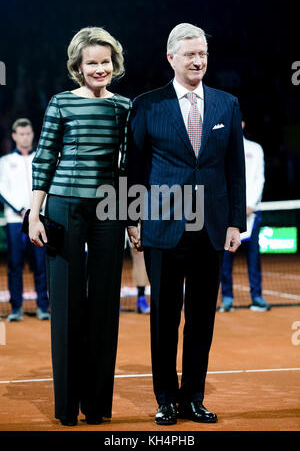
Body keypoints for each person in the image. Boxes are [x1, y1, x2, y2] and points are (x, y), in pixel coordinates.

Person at [127, 23, 246, 425]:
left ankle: (193, 396)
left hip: (211, 228)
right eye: (191, 54)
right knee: (164, 317)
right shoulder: (146, 104)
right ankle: (165, 398)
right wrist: (132, 217)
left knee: (201, 319)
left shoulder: (227, 104)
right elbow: (135, 168)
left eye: (204, 55)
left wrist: (234, 221)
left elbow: (235, 168)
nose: (199, 61)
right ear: (171, 58)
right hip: (162, 225)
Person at [28, 27, 131, 426]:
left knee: (105, 306)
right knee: (68, 306)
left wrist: (132, 219)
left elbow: (125, 167)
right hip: (64, 207)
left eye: (106, 61)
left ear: (114, 64)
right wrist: (34, 213)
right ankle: (66, 407)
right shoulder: (60, 104)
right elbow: (44, 158)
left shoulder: (123, 107)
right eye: (92, 62)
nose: (100, 68)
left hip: (109, 210)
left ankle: (98, 408)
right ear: (78, 66)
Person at [0, 118, 49, 322]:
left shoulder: (41, 158)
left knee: (41, 265)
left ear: (32, 135)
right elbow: (2, 190)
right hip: (15, 221)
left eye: (28, 133)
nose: (25, 137)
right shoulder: (4, 161)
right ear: (14, 136)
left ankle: (43, 308)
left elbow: (48, 186)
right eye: (21, 134)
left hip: (39, 221)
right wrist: (20, 210)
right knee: (15, 265)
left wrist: (37, 211)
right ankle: (16, 308)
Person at [220, 119, 269, 312]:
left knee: (253, 258)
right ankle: (227, 299)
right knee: (225, 259)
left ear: (242, 124)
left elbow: (260, 178)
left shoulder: (255, 149)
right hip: (227, 214)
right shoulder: (221, 149)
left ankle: (257, 296)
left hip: (252, 212)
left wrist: (249, 205)